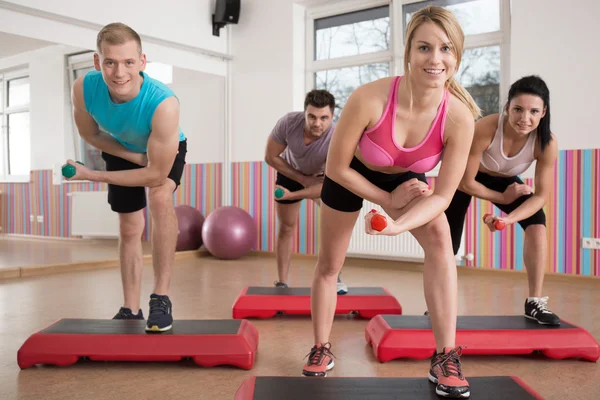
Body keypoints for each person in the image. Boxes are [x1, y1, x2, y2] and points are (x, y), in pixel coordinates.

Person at [300, 6, 480, 399]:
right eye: (424, 48)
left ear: (457, 55)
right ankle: (321, 346)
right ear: (409, 52)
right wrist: (386, 199)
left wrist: (396, 223)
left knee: (440, 245)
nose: (435, 59)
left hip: (406, 179)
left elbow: (445, 196)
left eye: (446, 49)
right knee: (330, 265)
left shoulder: (459, 118)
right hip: (350, 175)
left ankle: (445, 355)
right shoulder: (370, 98)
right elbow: (335, 167)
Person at [64, 22, 187, 333]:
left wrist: (91, 174)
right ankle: (130, 308)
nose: (120, 72)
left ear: (142, 62)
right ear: (97, 62)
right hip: (120, 147)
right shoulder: (83, 88)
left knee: (160, 198)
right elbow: (89, 133)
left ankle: (160, 298)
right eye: (110, 62)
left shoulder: (163, 103)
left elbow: (156, 172)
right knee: (129, 225)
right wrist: (133, 156)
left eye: (128, 62)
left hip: (164, 151)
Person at [445, 75, 560, 326]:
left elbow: (540, 196)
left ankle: (534, 302)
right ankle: (439, 305)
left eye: (533, 111)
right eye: (518, 109)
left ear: (544, 113)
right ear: (507, 107)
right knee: (447, 240)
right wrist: (501, 198)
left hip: (504, 180)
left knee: (537, 223)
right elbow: (466, 183)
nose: (524, 118)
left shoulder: (546, 143)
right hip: (466, 177)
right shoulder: (486, 128)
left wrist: (507, 219)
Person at [265, 90, 349, 294]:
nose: (317, 123)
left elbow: (327, 185)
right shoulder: (288, 123)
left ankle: (334, 277)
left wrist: (291, 195)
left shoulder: (337, 137)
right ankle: (282, 282)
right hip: (291, 174)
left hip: (322, 178)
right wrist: (302, 179)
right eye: (312, 116)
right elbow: (271, 157)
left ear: (332, 116)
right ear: (304, 114)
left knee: (333, 229)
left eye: (323, 118)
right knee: (286, 227)